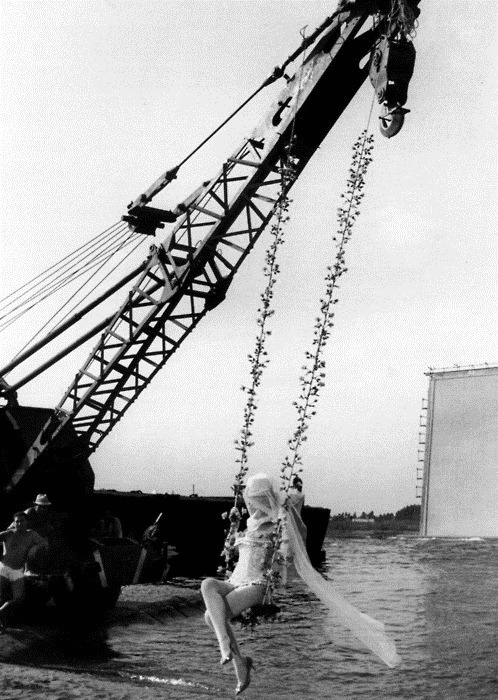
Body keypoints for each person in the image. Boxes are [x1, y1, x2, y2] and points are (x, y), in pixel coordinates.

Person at [201, 473, 400, 695]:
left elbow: (299, 538)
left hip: (258, 584)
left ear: (267, 498)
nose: (254, 503)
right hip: (235, 579)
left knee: (212, 616)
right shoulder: (248, 524)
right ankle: (236, 657)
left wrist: (287, 526)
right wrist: (231, 535)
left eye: (258, 498)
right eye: (252, 498)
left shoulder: (278, 523)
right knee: (207, 586)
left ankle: (230, 651)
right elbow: (237, 554)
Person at [0, 511, 47, 632]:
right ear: (14, 523)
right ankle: (2, 625)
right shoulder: (8, 533)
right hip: (3, 569)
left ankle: (1, 612)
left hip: (17, 571)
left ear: (26, 522)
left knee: (19, 598)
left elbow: (44, 542)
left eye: (22, 521)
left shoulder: (31, 534)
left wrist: (34, 548)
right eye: (17, 521)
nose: (19, 523)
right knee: (1, 596)